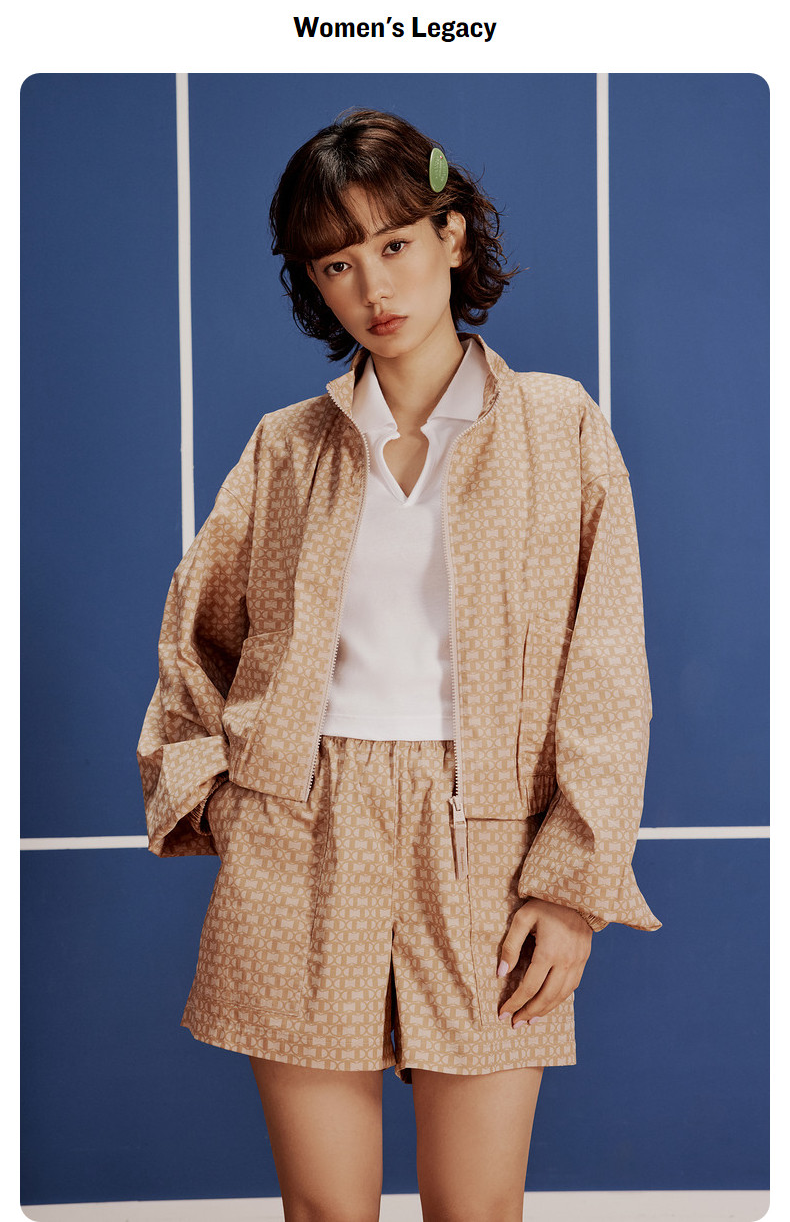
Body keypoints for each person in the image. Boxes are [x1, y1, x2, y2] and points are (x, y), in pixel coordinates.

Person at [136, 107, 661, 1222]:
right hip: (298, 839)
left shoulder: (560, 427)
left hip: (489, 849)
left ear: (453, 235)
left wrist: (571, 887)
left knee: (476, 1211)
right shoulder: (284, 448)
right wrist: (226, 800)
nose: (373, 285)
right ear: (312, 283)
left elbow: (607, 667)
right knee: (327, 1213)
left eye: (395, 242)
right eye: (336, 262)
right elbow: (195, 636)